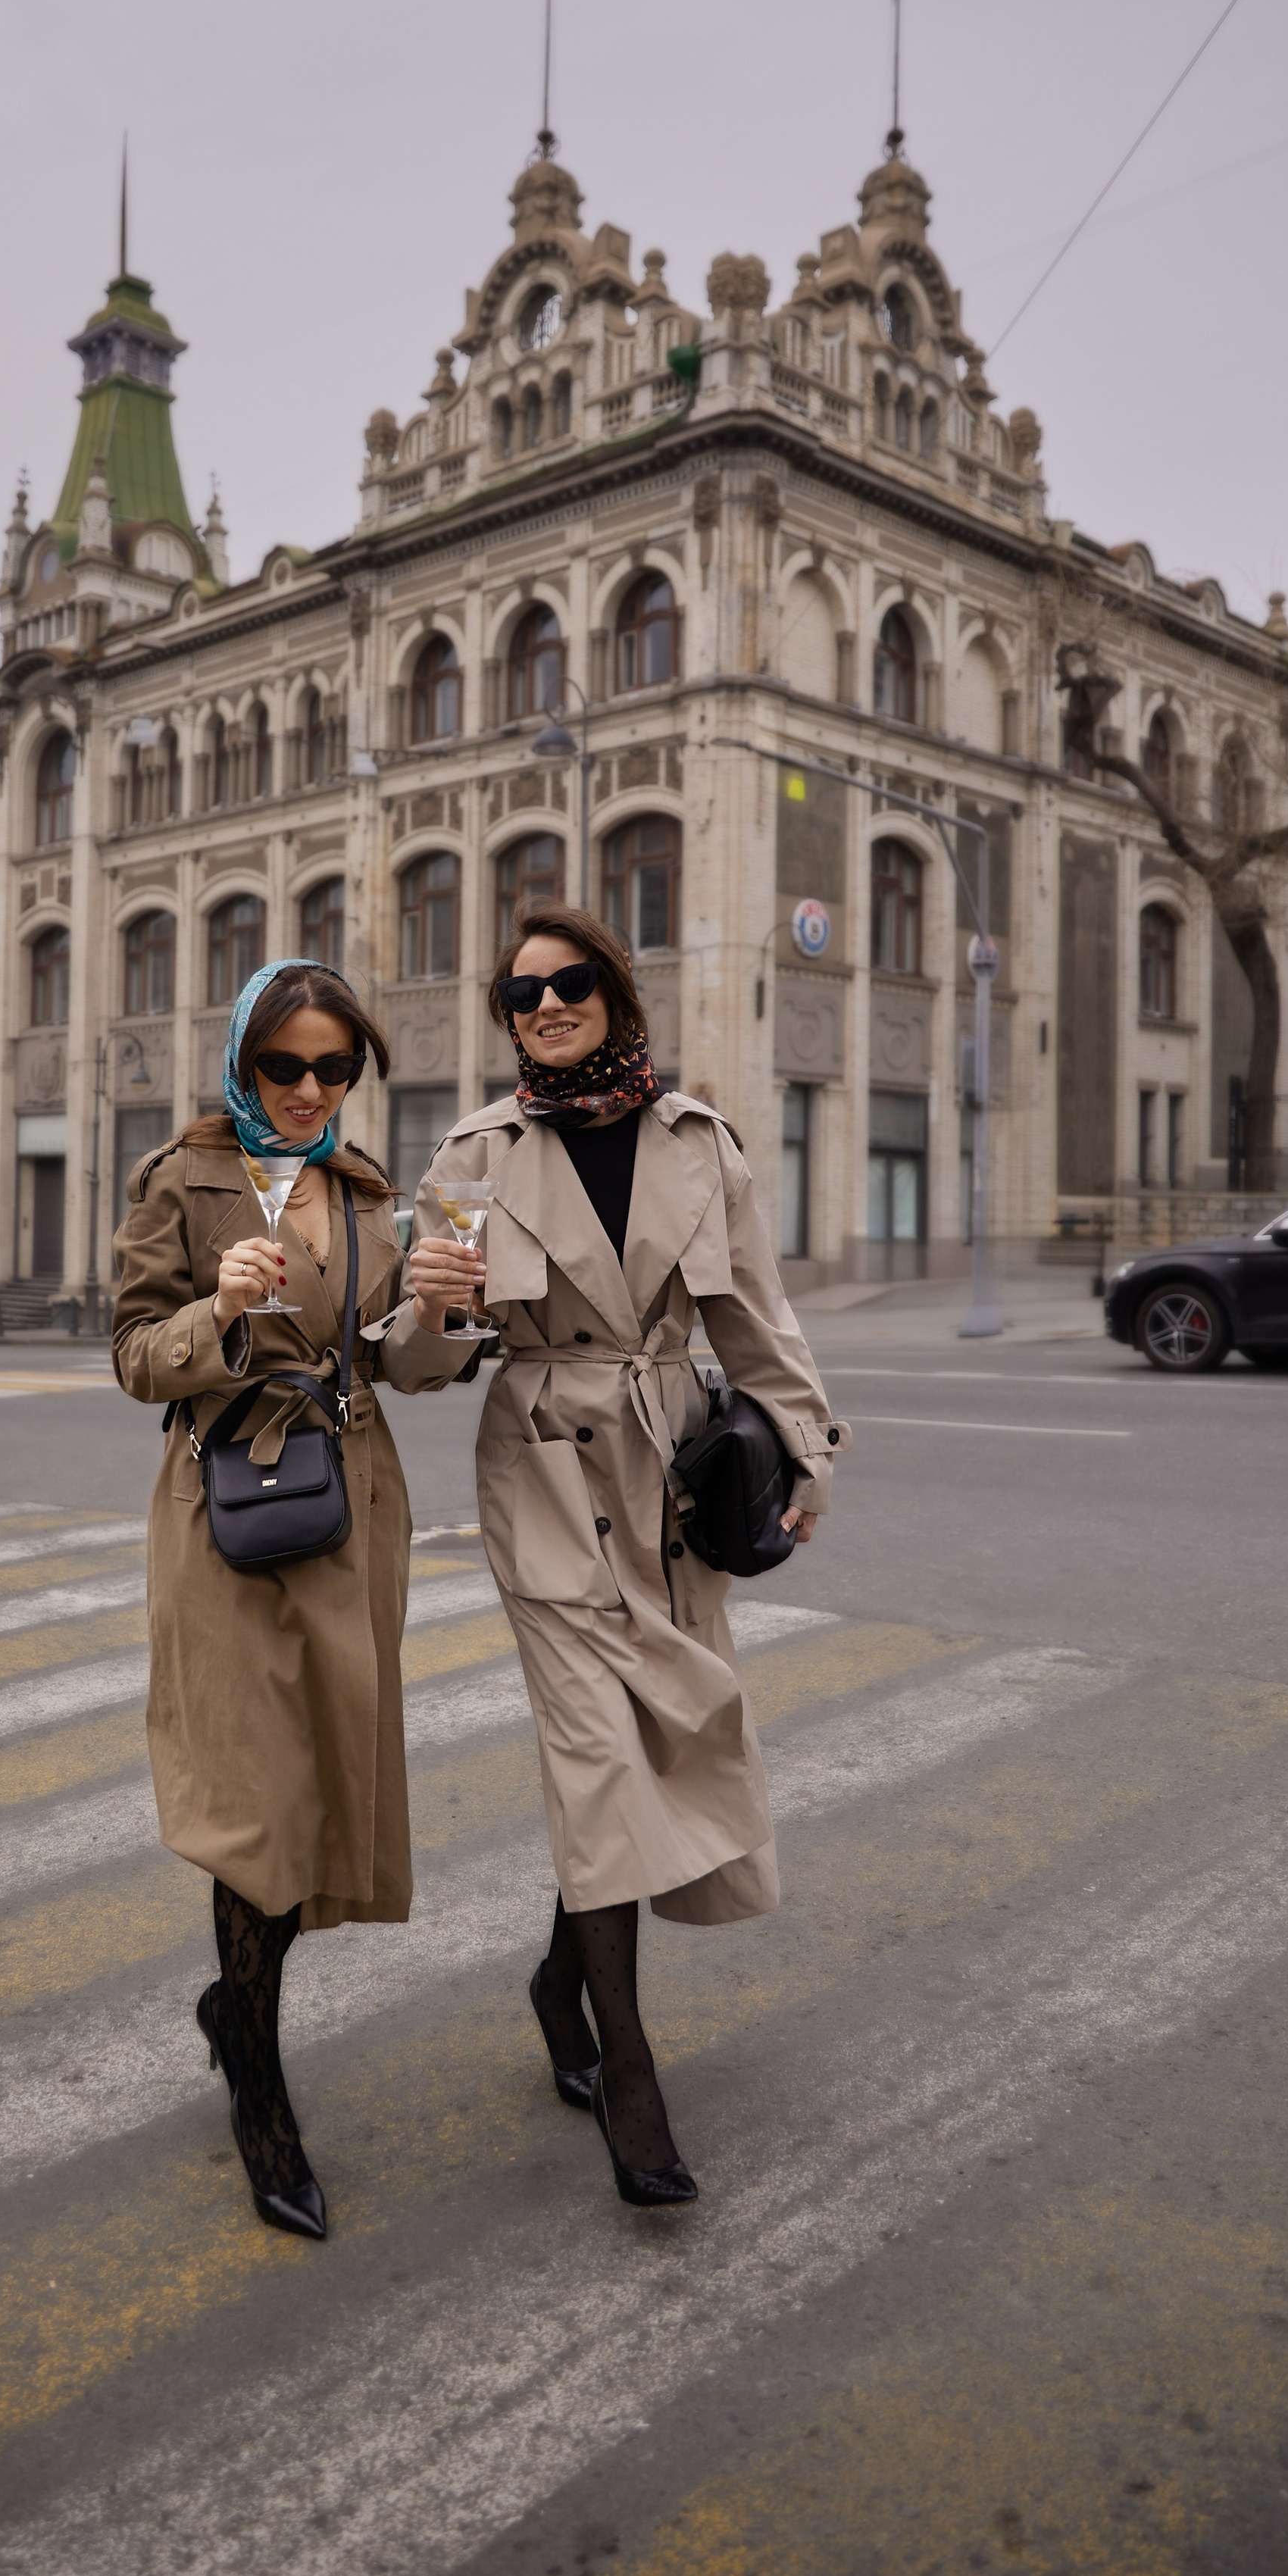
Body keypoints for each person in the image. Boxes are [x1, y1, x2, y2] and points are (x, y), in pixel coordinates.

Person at [418, 905, 847, 2206]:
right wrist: (433, 1305)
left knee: (657, 1740)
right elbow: (420, 1360)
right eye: (520, 993)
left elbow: (755, 1321)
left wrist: (811, 1453)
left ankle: (560, 1979)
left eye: (569, 984)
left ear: (617, 993)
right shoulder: (475, 1153)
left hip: (669, 1473)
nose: (544, 1006)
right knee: (595, 1760)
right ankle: (631, 2067)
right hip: (544, 1473)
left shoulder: (697, 1142)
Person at [113, 958, 481, 2239]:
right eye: (289, 1068)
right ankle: (260, 2089)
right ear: (242, 1065)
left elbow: (403, 1364)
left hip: (347, 1510)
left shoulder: (364, 1192)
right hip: (225, 1512)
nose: (314, 1091)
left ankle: (236, 2004)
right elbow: (133, 1359)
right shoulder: (184, 1181)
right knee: (256, 1801)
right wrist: (217, 1307)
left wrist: (442, 1316)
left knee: (322, 1787)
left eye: (338, 1069)